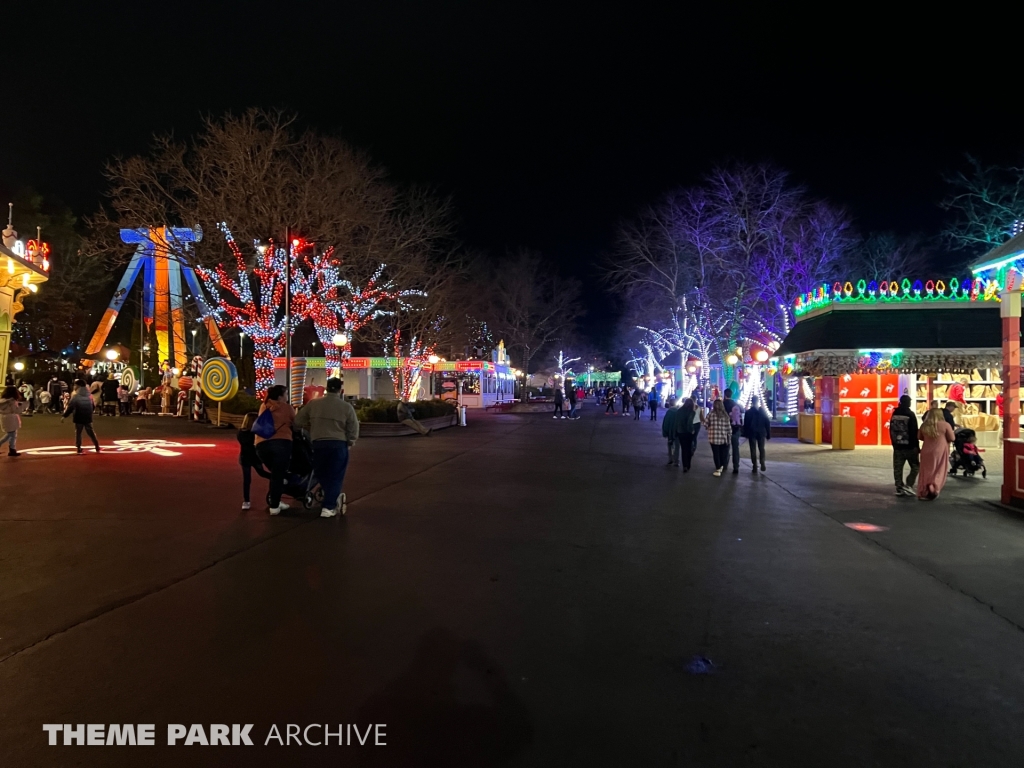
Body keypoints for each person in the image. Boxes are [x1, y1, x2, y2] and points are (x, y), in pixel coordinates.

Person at [295, 377, 359, 518]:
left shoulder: (313, 405)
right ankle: (328, 506)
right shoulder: (346, 407)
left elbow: (298, 421)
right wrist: (350, 442)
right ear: (340, 390)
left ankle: (329, 497)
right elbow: (353, 428)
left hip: (318, 444)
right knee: (336, 475)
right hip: (338, 444)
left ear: (326, 388)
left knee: (321, 473)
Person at [255, 385, 295, 515]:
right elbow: (296, 423)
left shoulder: (264, 406)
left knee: (275, 474)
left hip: (261, 445)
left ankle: (276, 498)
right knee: (278, 475)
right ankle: (274, 506)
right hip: (281, 443)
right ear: (280, 396)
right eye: (286, 394)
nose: (287, 397)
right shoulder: (287, 408)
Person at [917, 407, 955, 500]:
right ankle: (934, 487)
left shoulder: (924, 425)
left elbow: (919, 437)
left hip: (926, 451)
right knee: (939, 469)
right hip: (940, 450)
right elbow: (952, 438)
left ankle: (924, 490)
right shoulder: (945, 425)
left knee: (925, 471)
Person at [237, 412, 272, 510]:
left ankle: (246, 501)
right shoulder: (255, 434)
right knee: (262, 473)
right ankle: (277, 481)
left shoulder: (241, 432)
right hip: (255, 457)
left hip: (245, 457)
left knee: (247, 480)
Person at [889, 394, 920, 496]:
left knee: (898, 468)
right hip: (910, 446)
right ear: (907, 402)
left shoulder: (895, 413)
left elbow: (891, 430)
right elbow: (914, 431)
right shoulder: (910, 414)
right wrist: (916, 446)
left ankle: (899, 487)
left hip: (898, 446)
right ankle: (909, 484)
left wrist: (894, 443)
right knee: (915, 466)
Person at [61, 379, 101, 454]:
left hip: (78, 416)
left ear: (78, 386)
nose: (74, 386)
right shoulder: (89, 395)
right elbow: (93, 406)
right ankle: (97, 446)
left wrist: (64, 416)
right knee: (91, 432)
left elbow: (70, 407)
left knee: (78, 433)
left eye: (75, 385)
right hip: (87, 416)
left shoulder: (75, 396)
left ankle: (79, 448)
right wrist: (89, 413)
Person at [743, 397, 772, 474]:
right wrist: (768, 434)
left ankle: (754, 466)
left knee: (753, 449)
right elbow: (767, 423)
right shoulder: (762, 411)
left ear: (752, 402)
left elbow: (746, 424)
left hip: (752, 432)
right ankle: (762, 463)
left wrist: (745, 433)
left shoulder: (748, 412)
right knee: (761, 448)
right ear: (758, 401)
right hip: (761, 432)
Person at [704, 398, 732, 477]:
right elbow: (728, 428)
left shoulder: (710, 414)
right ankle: (723, 466)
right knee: (723, 453)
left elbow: (705, 424)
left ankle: (718, 467)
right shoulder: (725, 415)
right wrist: (729, 436)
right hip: (723, 438)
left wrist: (709, 426)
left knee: (716, 454)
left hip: (713, 437)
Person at [675, 398, 700, 472]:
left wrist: (675, 431)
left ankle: (685, 465)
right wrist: (692, 430)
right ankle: (688, 464)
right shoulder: (692, 412)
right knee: (689, 448)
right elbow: (689, 422)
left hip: (680, 432)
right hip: (688, 433)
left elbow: (676, 422)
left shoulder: (679, 411)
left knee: (683, 449)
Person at [0, 386, 26, 456]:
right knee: (12, 434)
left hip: (4, 417)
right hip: (11, 417)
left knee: (11, 434)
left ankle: (12, 449)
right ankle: (12, 449)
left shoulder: (2, 401)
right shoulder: (12, 401)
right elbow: (15, 410)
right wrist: (21, 406)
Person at [722, 388, 742, 474]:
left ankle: (725, 464)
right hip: (735, 429)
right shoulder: (736, 404)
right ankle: (736, 466)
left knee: (725, 447)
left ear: (725, 394)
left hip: (725, 429)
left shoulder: (722, 404)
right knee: (735, 448)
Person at [662, 396, 680, 466]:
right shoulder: (678, 411)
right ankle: (676, 460)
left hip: (670, 432)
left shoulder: (669, 412)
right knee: (677, 446)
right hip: (678, 431)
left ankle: (670, 459)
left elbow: (666, 423)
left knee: (670, 445)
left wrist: (665, 432)